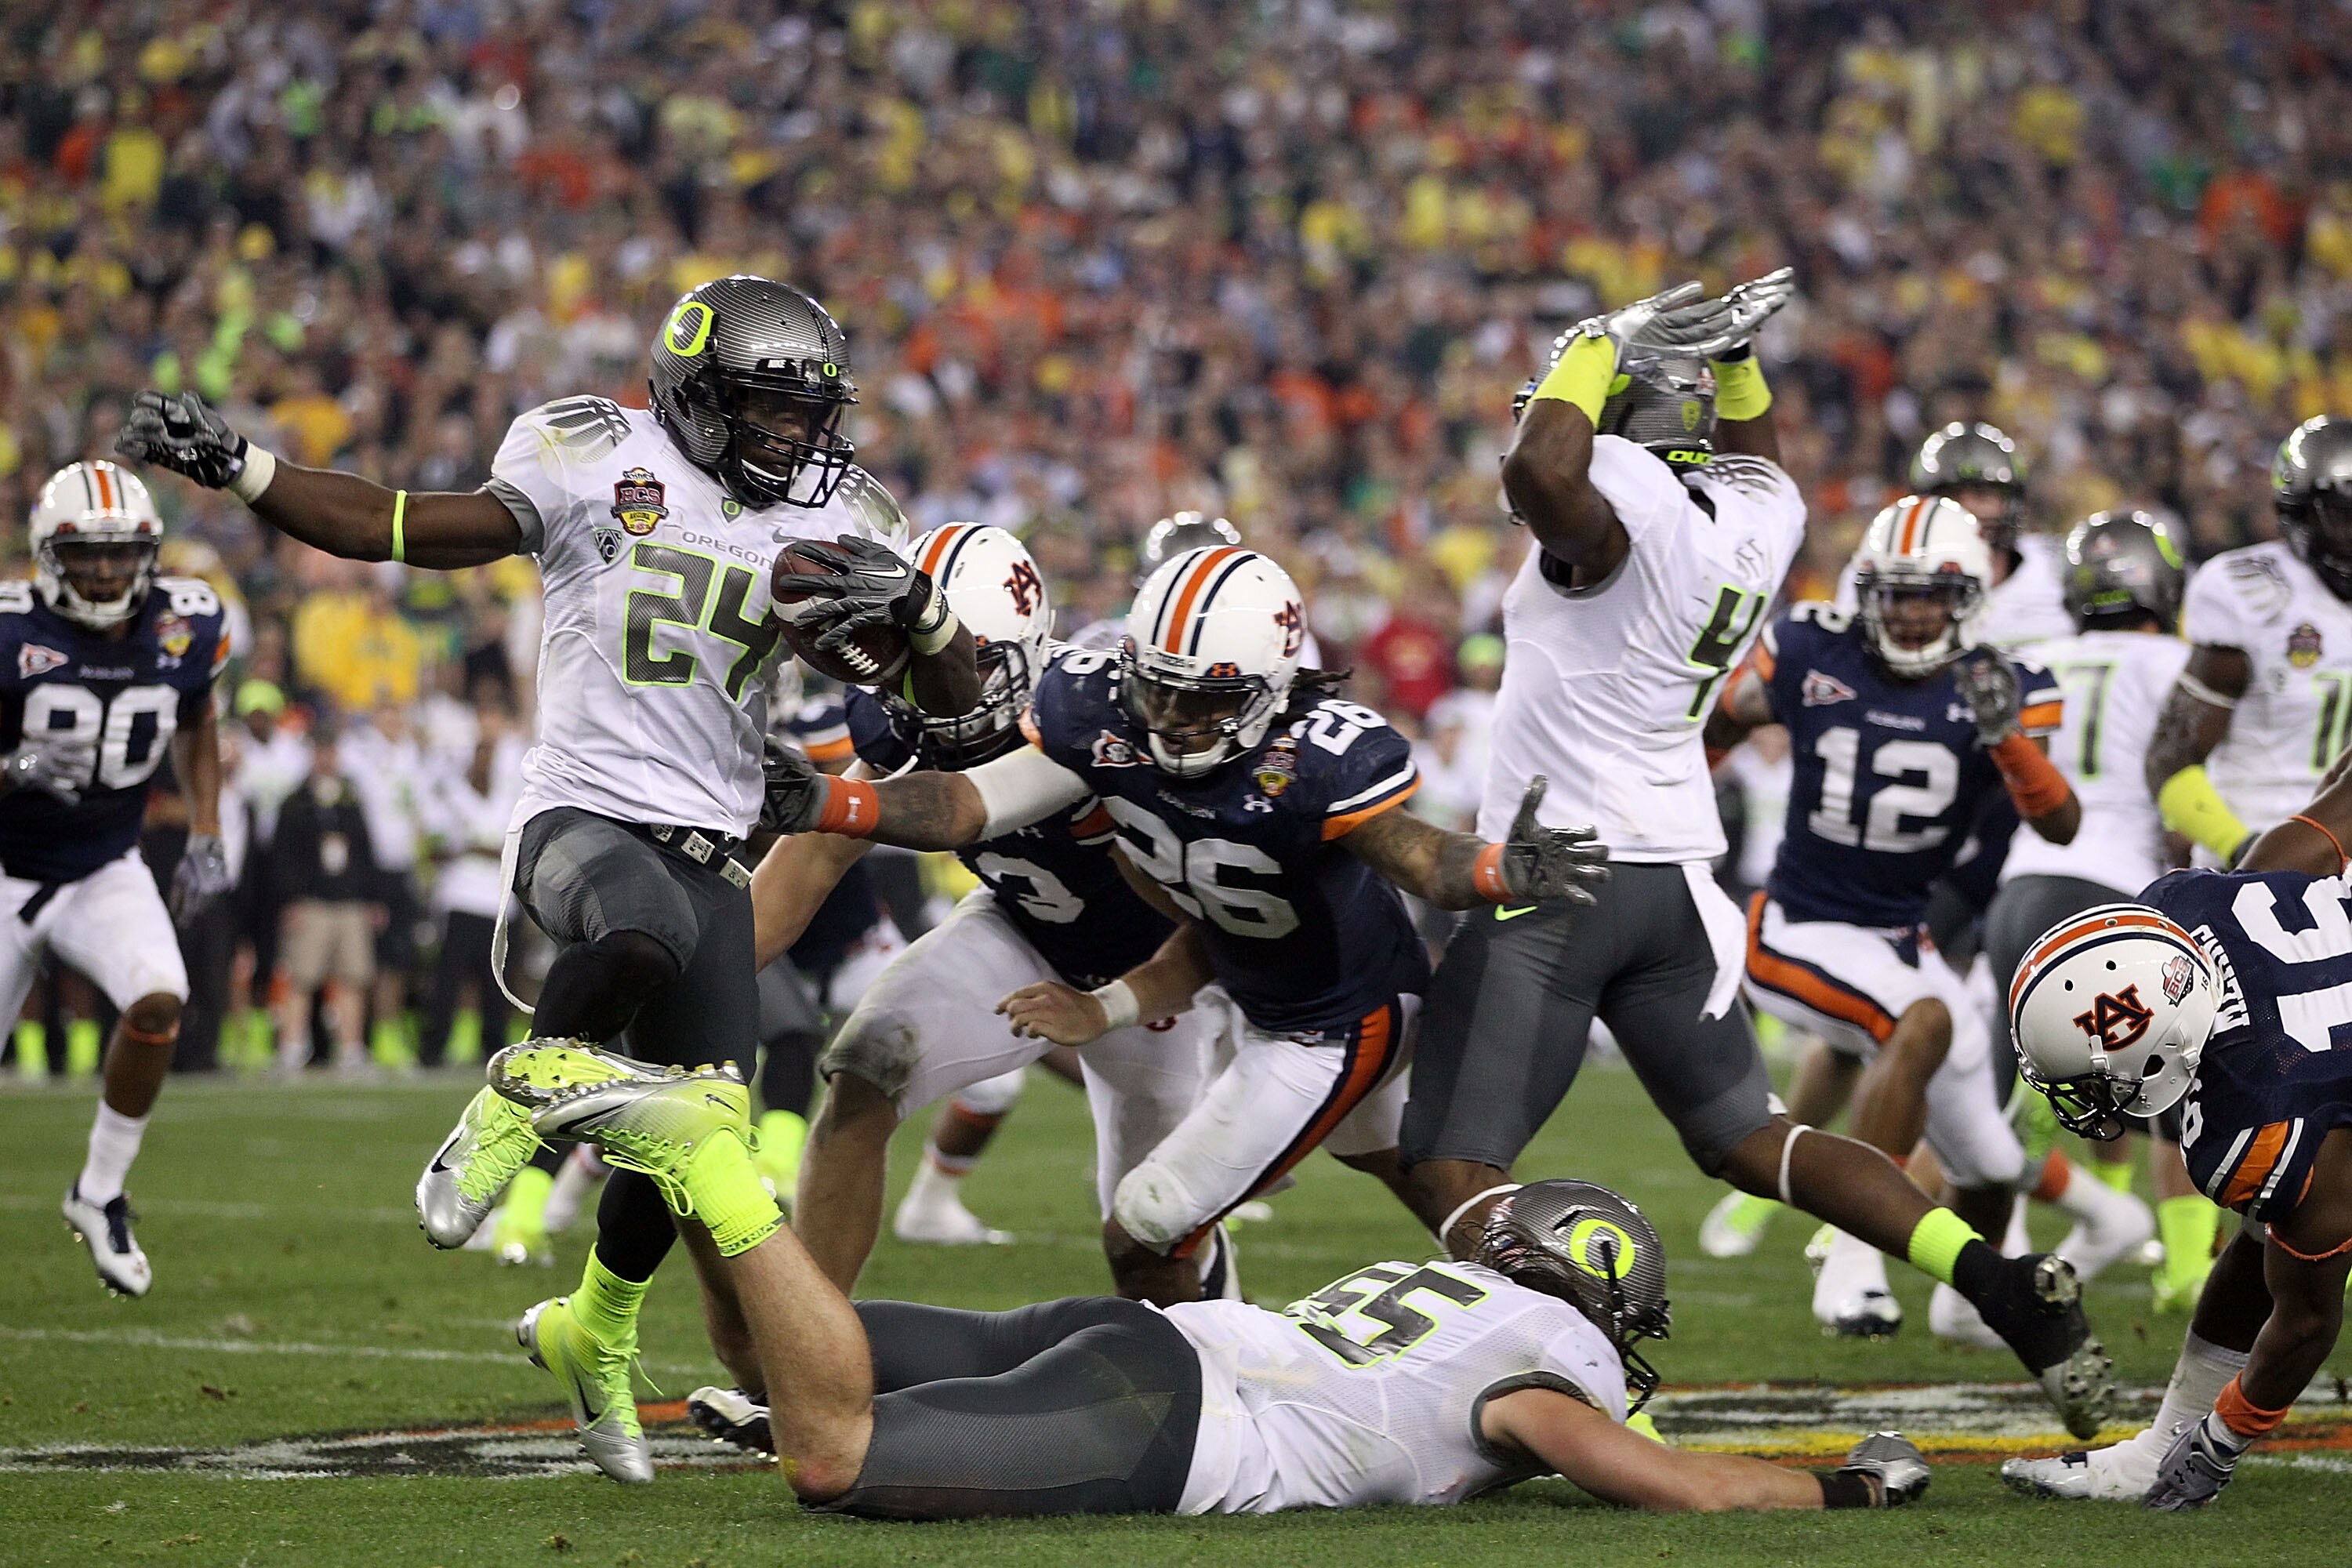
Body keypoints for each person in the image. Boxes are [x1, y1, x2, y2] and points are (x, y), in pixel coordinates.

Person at [114, 273, 982, 1484]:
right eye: (767, 408)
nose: (796, 436)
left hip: (719, 842)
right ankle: (503, 1112)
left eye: (809, 413)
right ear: (693, 392)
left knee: (700, 1147)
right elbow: (399, 526)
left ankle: (596, 1331)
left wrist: (927, 619)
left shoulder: (844, 517)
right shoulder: (593, 456)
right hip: (583, 812)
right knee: (633, 943)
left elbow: (954, 718)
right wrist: (244, 465)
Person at [1396, 274, 2113, 1437]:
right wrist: (1737, 365)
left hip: (1562, 878)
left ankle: (1570, 1386)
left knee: (1448, 1164)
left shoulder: (1611, 503)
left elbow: (1543, 472)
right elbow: (1759, 458)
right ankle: (1999, 1282)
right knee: (1754, 1141)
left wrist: (1597, 342)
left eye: (1567, 402)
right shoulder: (1756, 516)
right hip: (1681, 883)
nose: (1546, 415)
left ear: (1621, 435)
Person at [494, 1040, 1939, 1516]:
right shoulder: (1546, 1363)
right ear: (1597, 1290)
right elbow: (1665, 1480)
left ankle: (689, 1141)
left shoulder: (1450, 1292)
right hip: (1175, 1403)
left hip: (1139, 1336)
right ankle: (708, 1159)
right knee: (830, 1451)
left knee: (766, 1358)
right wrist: (1847, 1485)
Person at [765, 546, 1608, 1306]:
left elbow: (1417, 857)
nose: (1168, 716)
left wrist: (1497, 866)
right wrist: (828, 806)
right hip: (1103, 945)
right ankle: (809, 1360)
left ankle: (1571, 1321)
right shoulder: (1096, 716)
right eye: (1153, 686)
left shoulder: (1297, 760)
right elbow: (965, 806)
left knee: (1162, 1223)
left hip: (1270, 994)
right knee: (872, 1067)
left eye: (1199, 699)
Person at [1707, 496, 2139, 1344]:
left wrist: (2006, 739)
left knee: (1984, 1150)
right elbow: (1717, 723)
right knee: (1922, 1019)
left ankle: (2025, 1263)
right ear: (1867, 592)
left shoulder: (2004, 683)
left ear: (1966, 598)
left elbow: (2061, 824)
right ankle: (1852, 1255)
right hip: (1799, 921)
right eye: (1896, 593)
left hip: (1906, 935)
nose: (1910, 612)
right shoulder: (1810, 646)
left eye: (1930, 595)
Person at [753, 524, 1214, 1304]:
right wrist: (698, 974)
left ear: (1031, 647)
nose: (948, 685)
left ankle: (1230, 1383)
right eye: (927, 660)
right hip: (1022, 928)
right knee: (864, 1071)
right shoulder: (903, 718)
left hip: (1157, 976)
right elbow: (815, 854)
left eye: (977, 660)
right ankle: (806, 1358)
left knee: (1149, 1236)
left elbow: (957, 809)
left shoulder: (1098, 708)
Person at [1999, 750, 2352, 1508]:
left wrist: (2221, 1444)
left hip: (2315, 1101)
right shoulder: (2191, 908)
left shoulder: (2260, 1121)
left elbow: (2307, 1320)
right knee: (2270, 1230)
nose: (2093, 1099)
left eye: (2096, 1079)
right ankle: (2158, 1444)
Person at [2, 460, 231, 1297]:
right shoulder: (7, 627)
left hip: (102, 864)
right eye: (85, 553)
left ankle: (99, 1191)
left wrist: (206, 824)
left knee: (159, 996)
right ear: (47, 555)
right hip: (4, 869)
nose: (104, 570)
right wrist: (15, 765)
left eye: (119, 552)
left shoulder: (188, 621)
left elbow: (199, 714)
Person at [1983, 513, 2194, 1307]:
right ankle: (2184, 1265)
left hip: (2018, 887)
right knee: (2179, 1075)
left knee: (2012, 1092)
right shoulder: (2177, 661)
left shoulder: (2036, 658)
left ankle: (1994, 1260)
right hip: (2111, 891)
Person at [267, 728, 383, 1073]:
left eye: (331, 751)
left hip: (349, 901)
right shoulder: (296, 801)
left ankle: (350, 1048)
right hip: (311, 901)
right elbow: (283, 855)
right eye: (321, 751)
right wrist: (291, 899)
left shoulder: (351, 798)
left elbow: (366, 850)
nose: (327, 758)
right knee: (302, 977)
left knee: (353, 978)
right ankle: (291, 1046)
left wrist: (371, 897)